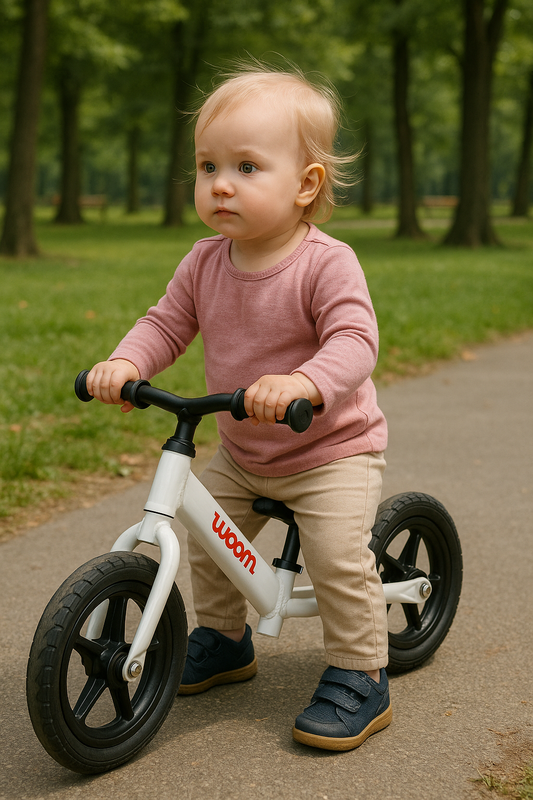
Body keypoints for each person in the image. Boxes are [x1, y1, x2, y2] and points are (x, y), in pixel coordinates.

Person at [86, 63, 391, 752]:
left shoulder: (325, 263)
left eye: (247, 166)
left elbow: (353, 341)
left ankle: (361, 671)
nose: (220, 183)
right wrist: (127, 362)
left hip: (328, 452)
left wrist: (304, 383)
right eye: (207, 165)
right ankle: (224, 640)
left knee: (338, 555)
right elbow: (164, 323)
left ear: (305, 184)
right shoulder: (203, 262)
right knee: (205, 533)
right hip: (246, 450)